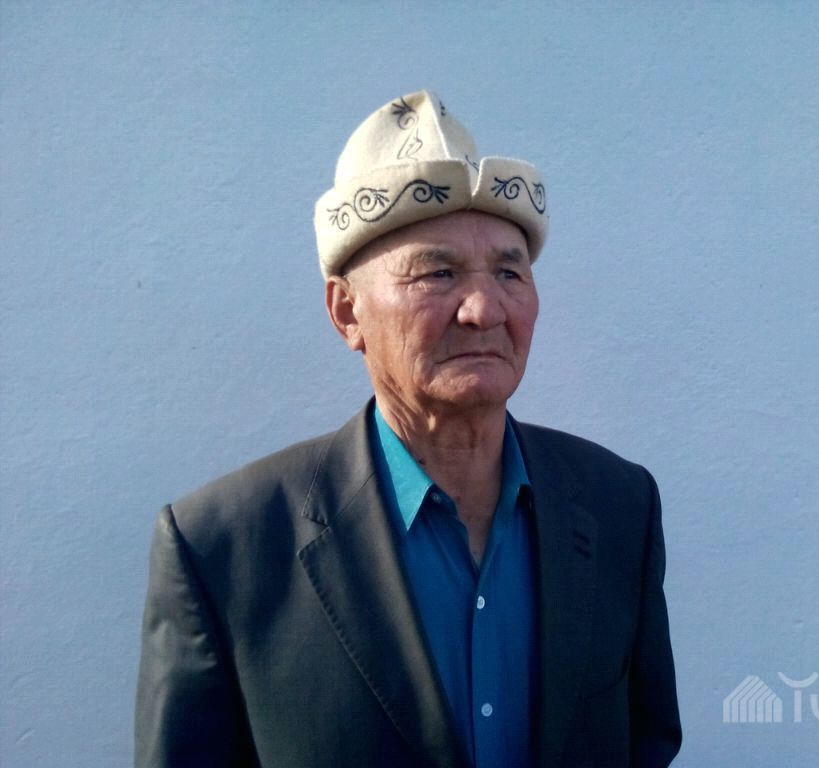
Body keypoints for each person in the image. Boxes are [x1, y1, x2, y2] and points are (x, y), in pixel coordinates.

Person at [135, 90, 681, 768]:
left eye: (509, 271)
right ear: (347, 313)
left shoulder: (617, 505)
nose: (483, 309)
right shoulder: (225, 547)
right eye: (438, 273)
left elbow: (647, 745)